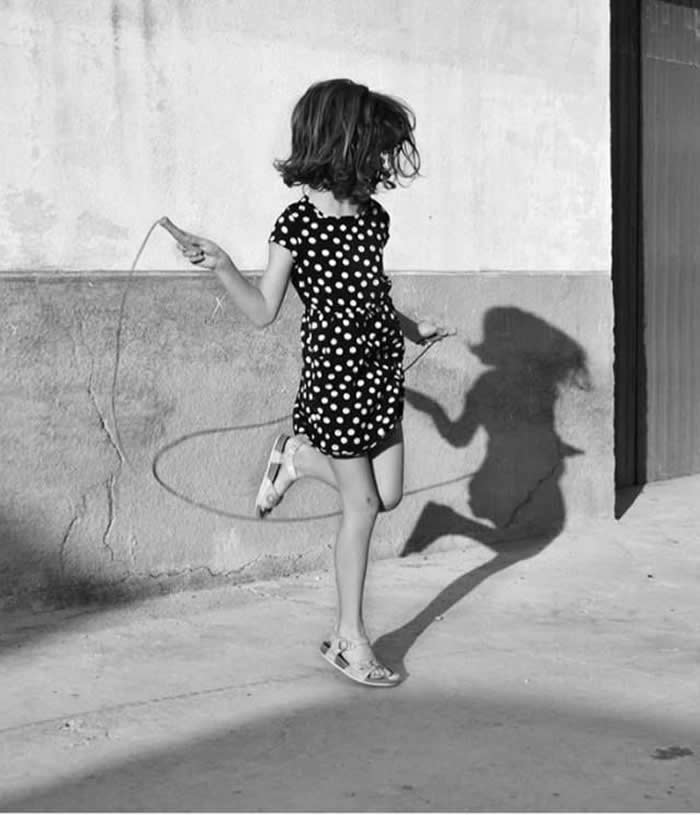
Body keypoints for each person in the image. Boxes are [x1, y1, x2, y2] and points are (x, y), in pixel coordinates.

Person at [169, 78, 450, 687]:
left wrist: (412, 328)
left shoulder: (373, 218)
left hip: (381, 374)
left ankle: (295, 458)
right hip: (335, 383)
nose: (381, 161)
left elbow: (372, 295)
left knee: (388, 495)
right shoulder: (296, 224)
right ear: (341, 143)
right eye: (374, 147)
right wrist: (222, 265)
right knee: (363, 505)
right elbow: (263, 309)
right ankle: (349, 639)